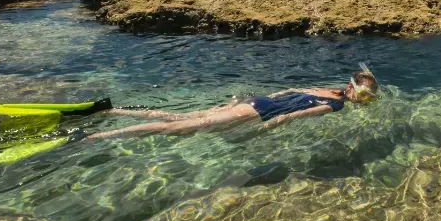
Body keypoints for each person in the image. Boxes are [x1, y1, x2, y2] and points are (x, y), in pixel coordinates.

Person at [88, 67, 380, 140]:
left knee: (179, 116)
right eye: (364, 95)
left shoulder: (327, 88)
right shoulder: (337, 105)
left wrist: (254, 102)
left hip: (256, 102)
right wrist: (263, 130)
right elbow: (293, 117)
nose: (365, 102)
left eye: (370, 98)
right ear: (351, 89)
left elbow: (290, 90)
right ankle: (100, 136)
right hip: (258, 111)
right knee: (181, 127)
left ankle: (113, 110)